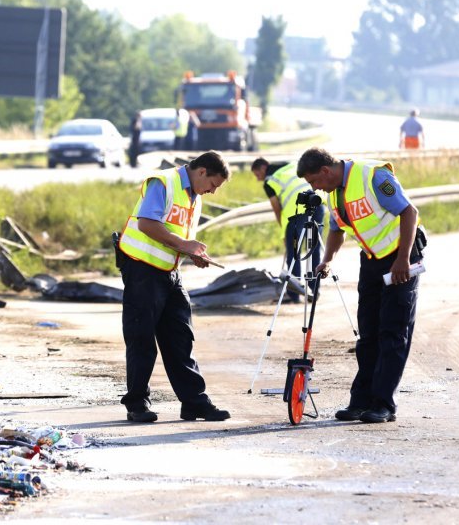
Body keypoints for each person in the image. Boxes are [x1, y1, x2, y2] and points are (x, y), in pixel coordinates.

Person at [296, 148, 424, 424]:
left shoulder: (373, 176)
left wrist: (402, 258)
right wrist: (327, 260)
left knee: (392, 332)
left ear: (326, 171)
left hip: (400, 258)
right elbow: (336, 229)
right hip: (372, 261)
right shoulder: (334, 193)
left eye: (313, 181)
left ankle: (383, 404)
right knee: (367, 335)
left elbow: (409, 212)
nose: (314, 188)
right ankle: (361, 401)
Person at [117, 150, 232, 423]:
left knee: (181, 339)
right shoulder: (164, 182)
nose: (212, 192)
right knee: (141, 339)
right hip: (142, 270)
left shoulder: (194, 195)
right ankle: (137, 404)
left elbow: (176, 235)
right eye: (213, 185)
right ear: (202, 171)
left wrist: (192, 252)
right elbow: (147, 224)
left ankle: (194, 403)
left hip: (170, 272)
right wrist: (185, 246)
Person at [251, 157, 324, 303]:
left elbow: (276, 207)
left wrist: (283, 230)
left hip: (297, 213)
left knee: (294, 252)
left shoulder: (269, 181)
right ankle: (314, 292)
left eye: (257, 175)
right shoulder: (291, 165)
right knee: (314, 249)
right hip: (317, 204)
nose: (259, 179)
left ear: (263, 167)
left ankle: (294, 295)